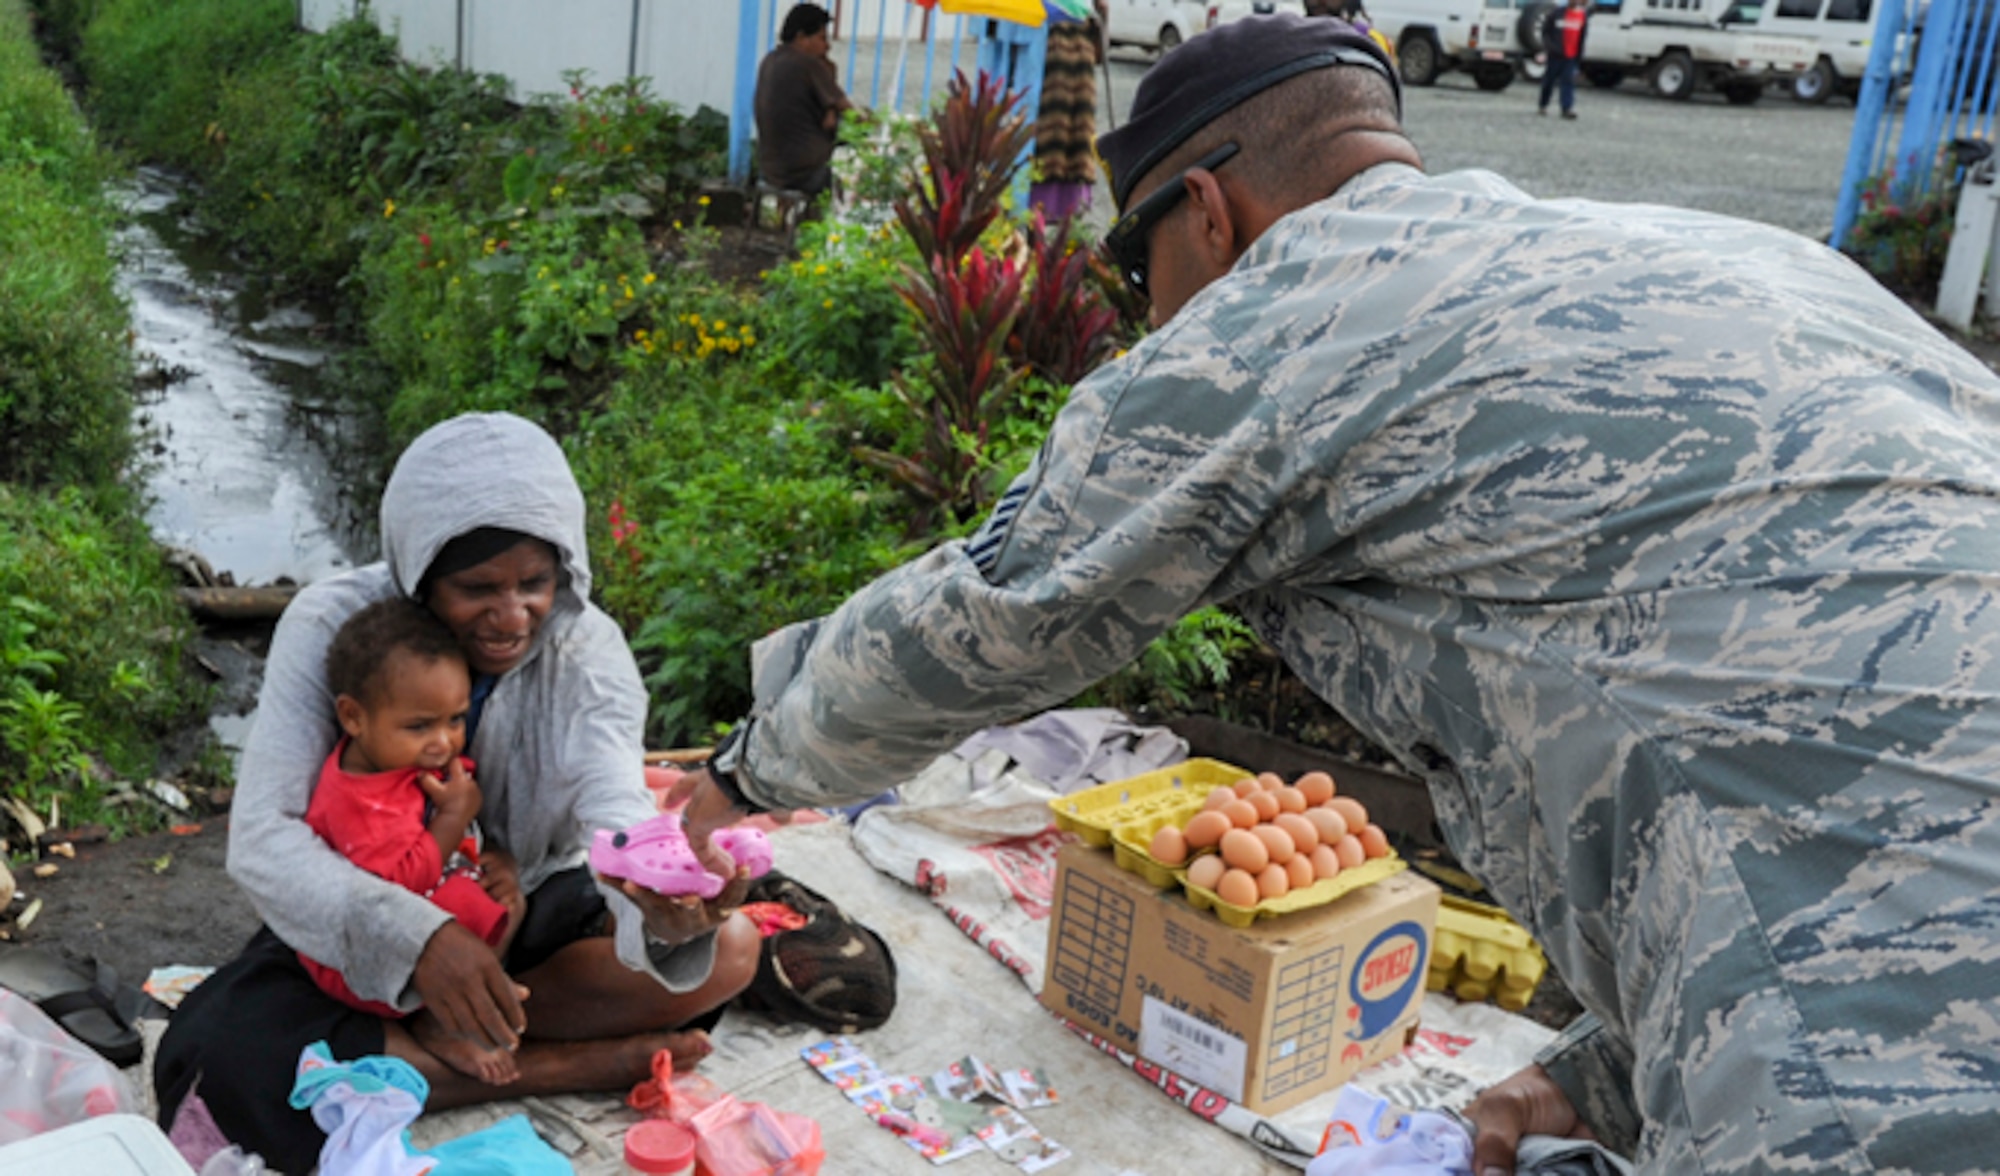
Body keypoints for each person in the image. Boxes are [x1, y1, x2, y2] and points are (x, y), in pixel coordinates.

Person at [668, 14, 2000, 1174]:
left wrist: (736, 780)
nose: (1147, 322)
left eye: (1140, 280)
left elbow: (989, 616)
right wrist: (1595, 1076)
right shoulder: (1743, 263)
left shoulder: (1285, 318)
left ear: (1207, 210)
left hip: (1892, 1035)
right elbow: (1779, 732)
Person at [156, 413, 760, 1175]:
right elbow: (265, 840)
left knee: (729, 952)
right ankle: (550, 1064)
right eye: (477, 589)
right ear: (418, 577)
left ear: (565, 573)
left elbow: (615, 803)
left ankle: (444, 1046)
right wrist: (417, 939)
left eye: (536, 584)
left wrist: (659, 894)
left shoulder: (586, 651)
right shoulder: (335, 630)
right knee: (213, 1060)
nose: (513, 618)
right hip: (366, 909)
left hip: (517, 905)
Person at [298, 597, 521, 1086]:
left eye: (456, 720)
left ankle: (472, 994)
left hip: (408, 913)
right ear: (354, 718)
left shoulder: (398, 761)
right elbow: (393, 887)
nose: (443, 742)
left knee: (507, 899)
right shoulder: (359, 800)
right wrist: (456, 813)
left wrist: (486, 850)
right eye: (420, 726)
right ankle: (436, 1021)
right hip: (359, 954)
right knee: (475, 906)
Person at [754, 3, 853, 199]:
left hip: (770, 171)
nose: (827, 46)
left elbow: (828, 118)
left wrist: (830, 107)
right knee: (860, 159)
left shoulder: (770, 60)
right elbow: (853, 115)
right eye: (822, 38)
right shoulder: (808, 63)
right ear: (801, 37)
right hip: (805, 175)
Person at [1028, 0, 1111, 223]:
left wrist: (1102, 14)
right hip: (1050, 51)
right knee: (1047, 139)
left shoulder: (1083, 13)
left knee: (1072, 139)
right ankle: (1038, 221)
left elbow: (1101, 50)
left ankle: (1060, 221)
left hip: (1075, 67)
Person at [1536, 0, 1590, 119]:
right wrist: (1550, 47)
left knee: (1568, 81)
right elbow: (1545, 31)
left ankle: (1566, 108)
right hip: (1555, 55)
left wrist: (1579, 56)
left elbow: (1582, 38)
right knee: (1549, 81)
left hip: (1571, 56)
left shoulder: (1582, 16)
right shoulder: (1556, 13)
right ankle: (1543, 104)